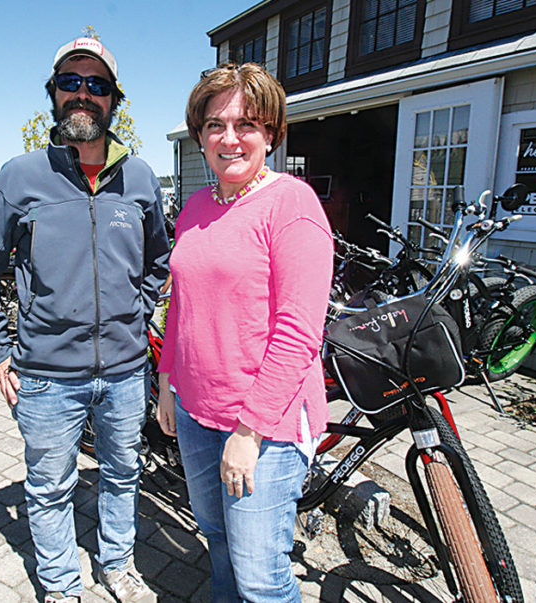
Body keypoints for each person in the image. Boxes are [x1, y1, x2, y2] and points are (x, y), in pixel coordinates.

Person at [0, 37, 171, 603]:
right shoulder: (20, 177)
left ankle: (117, 565)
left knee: (124, 476)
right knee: (50, 487)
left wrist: (140, 310)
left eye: (97, 85)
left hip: (127, 373)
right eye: (71, 82)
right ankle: (59, 586)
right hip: (48, 377)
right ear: (53, 94)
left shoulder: (142, 179)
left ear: (114, 100)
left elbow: (159, 258)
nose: (83, 94)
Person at [156, 63, 334, 601]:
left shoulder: (292, 204)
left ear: (271, 134)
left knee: (261, 578)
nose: (229, 138)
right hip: (194, 412)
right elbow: (181, 303)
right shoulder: (194, 207)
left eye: (246, 124)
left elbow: (299, 332)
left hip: (266, 429)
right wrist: (168, 381)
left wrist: (249, 432)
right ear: (200, 135)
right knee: (218, 542)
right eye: (215, 125)